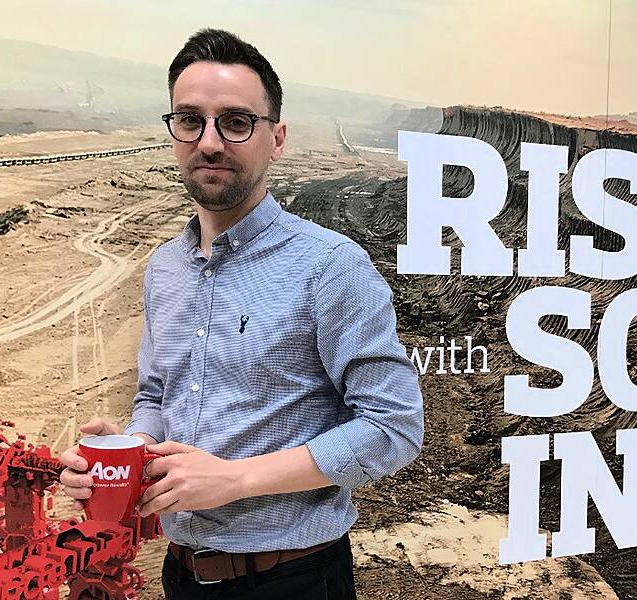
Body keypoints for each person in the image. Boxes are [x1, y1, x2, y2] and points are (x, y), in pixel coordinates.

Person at [56, 29, 424, 599]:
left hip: (291, 578)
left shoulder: (332, 266)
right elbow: (156, 396)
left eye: (235, 121)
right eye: (189, 120)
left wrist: (234, 479)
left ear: (276, 139)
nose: (209, 142)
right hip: (181, 574)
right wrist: (129, 450)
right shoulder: (165, 269)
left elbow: (393, 428)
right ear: (173, 131)